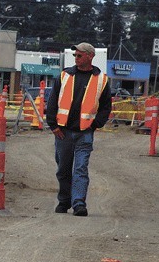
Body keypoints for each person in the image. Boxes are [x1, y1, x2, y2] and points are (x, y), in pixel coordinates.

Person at [45, 42, 111, 216]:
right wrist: (53, 125)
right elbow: (52, 101)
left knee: (80, 169)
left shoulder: (101, 80)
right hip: (63, 132)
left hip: (85, 133)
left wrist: (96, 124)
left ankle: (79, 203)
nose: (76, 58)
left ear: (90, 56)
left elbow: (106, 107)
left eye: (79, 55)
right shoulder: (65, 75)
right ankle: (64, 201)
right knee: (63, 169)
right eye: (75, 55)